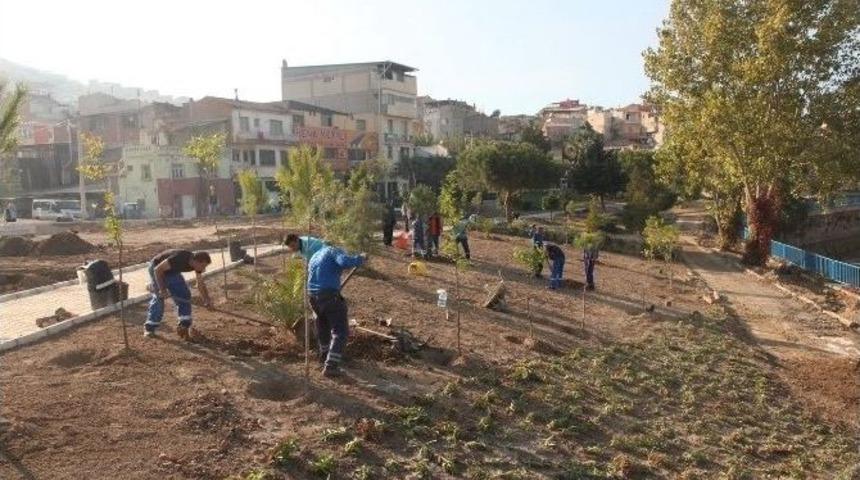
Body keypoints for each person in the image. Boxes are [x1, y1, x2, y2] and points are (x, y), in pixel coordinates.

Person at [307, 245, 366, 377]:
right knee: (340, 331)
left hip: (313, 296)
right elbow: (344, 261)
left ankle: (324, 356)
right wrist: (360, 258)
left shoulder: (316, 255)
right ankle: (331, 366)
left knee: (323, 326)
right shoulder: (333, 250)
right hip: (329, 296)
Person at [145, 249, 212, 339]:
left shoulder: (196, 266)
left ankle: (183, 326)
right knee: (159, 298)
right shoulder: (179, 258)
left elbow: (200, 284)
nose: (204, 269)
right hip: (156, 267)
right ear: (195, 261)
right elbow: (158, 270)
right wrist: (162, 290)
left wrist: (207, 300)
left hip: (172, 271)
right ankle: (150, 329)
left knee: (184, 294)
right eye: (203, 266)